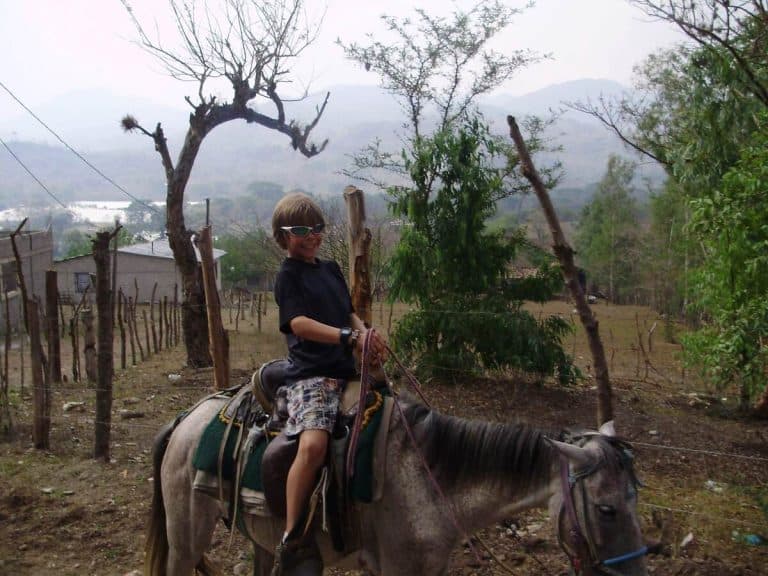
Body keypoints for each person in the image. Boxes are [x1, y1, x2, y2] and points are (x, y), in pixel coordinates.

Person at [270, 192, 387, 575]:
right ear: (283, 236)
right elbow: (297, 323)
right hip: (312, 374)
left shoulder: (332, 268)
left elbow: (350, 313)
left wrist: (365, 334)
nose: (312, 236)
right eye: (300, 230)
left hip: (346, 369)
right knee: (314, 444)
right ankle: (293, 537)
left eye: (317, 228)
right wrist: (346, 337)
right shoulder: (288, 276)